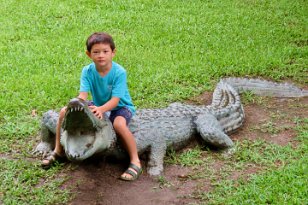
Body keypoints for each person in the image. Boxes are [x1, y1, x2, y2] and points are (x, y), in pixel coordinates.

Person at [41, 32, 142, 181]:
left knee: (119, 124)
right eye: (96, 52)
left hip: (120, 106)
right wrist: (76, 103)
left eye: (105, 51)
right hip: (99, 105)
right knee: (63, 112)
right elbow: (83, 96)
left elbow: (115, 100)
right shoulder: (87, 71)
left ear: (113, 53)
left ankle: (135, 161)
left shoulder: (119, 72)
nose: (101, 55)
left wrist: (101, 110)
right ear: (89, 54)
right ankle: (58, 150)